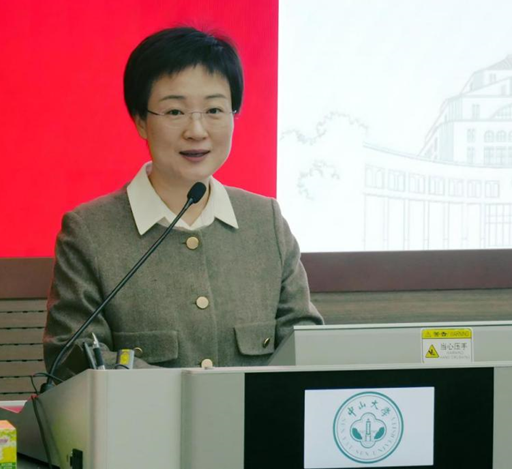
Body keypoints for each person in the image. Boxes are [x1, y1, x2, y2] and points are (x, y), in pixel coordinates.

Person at [44, 27, 323, 377]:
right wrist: (189, 394)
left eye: (214, 110)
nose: (197, 131)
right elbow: (74, 357)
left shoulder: (265, 222)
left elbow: (305, 345)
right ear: (141, 121)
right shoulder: (90, 232)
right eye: (175, 112)